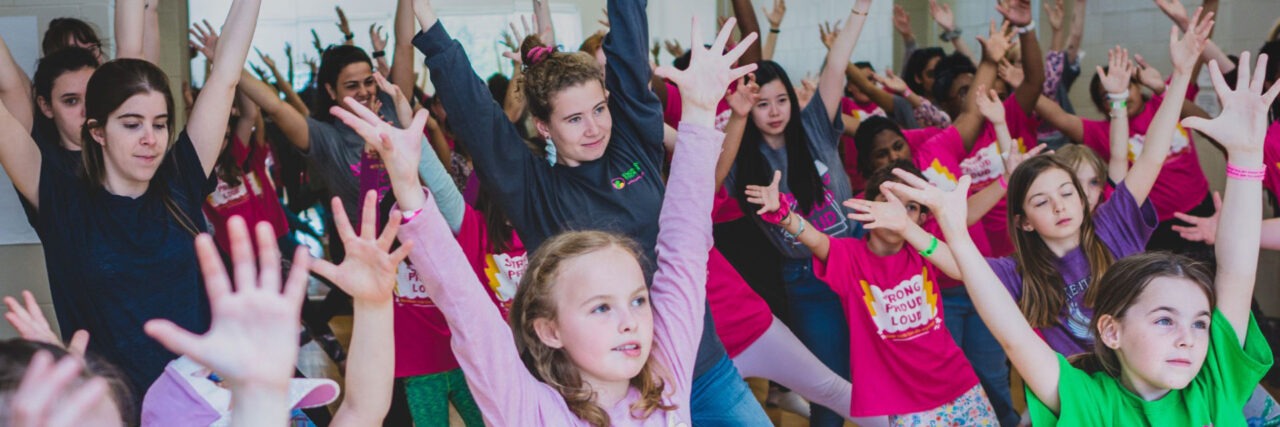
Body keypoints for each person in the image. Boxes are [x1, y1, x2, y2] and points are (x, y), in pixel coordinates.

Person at [333, 14, 753, 425]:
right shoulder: (535, 191)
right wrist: (430, 26)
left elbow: (683, 240)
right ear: (543, 126)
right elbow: (480, 121)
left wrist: (700, 110)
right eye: (573, 119)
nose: (593, 128)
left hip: (692, 365)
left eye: (600, 110)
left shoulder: (631, 146)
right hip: (593, 387)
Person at [918, 49, 1277, 426]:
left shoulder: (1210, 378)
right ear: (1110, 329)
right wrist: (941, 233)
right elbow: (1013, 336)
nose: (1187, 337)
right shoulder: (1093, 401)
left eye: (1201, 323)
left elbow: (1237, 273)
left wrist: (1247, 155)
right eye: (1164, 320)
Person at [0, 0, 261, 399]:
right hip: (114, 409)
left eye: (159, 124)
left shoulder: (180, 180)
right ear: (98, 131)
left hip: (203, 401)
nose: (150, 139)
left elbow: (225, 75)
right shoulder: (60, 200)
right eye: (131, 124)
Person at [721, 2, 871, 425]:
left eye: (782, 99)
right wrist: (735, 115)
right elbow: (687, 151)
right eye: (762, 103)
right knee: (827, 381)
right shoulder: (740, 159)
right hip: (807, 279)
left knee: (880, 367)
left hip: (860, 261)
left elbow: (837, 64)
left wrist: (860, 9)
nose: (774, 111)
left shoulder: (814, 126)